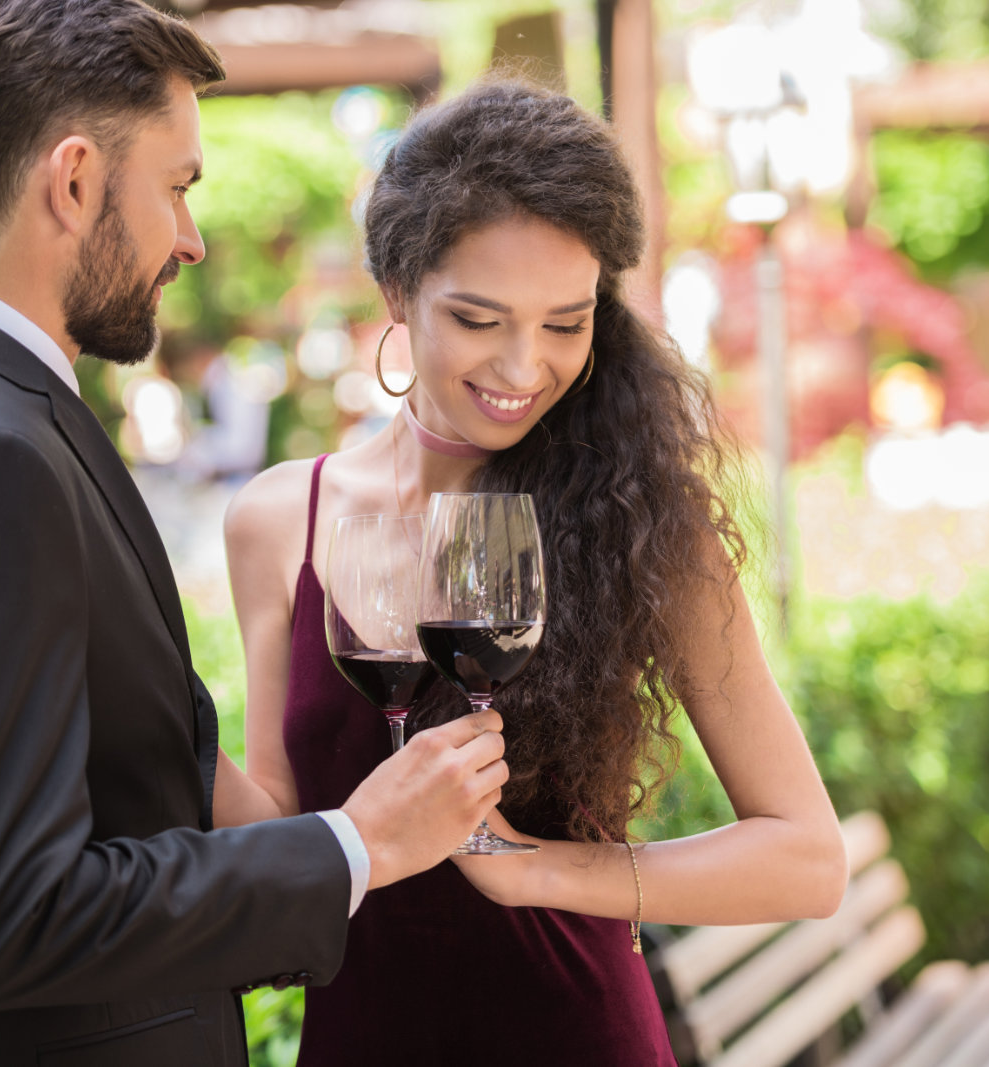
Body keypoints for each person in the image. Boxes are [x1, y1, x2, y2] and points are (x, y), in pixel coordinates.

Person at [0, 2, 507, 1064]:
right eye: (177, 187)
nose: (193, 238)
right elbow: (10, 919)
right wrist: (357, 844)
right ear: (73, 182)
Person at [220, 81, 849, 1065]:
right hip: (361, 1037)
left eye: (566, 321)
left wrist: (540, 872)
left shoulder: (635, 515)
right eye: (479, 318)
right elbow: (277, 820)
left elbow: (807, 857)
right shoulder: (276, 521)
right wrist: (144, 696)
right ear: (397, 290)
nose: (525, 365)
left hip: (573, 1029)